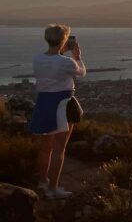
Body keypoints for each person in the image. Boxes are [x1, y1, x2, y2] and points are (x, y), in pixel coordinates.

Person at [29, 24, 86, 200]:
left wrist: (61, 51)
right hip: (63, 104)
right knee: (59, 149)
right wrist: (77, 56)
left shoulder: (37, 59)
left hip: (44, 104)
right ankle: (53, 188)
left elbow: (52, 63)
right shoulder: (66, 62)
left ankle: (42, 181)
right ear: (64, 40)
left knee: (45, 147)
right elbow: (81, 72)